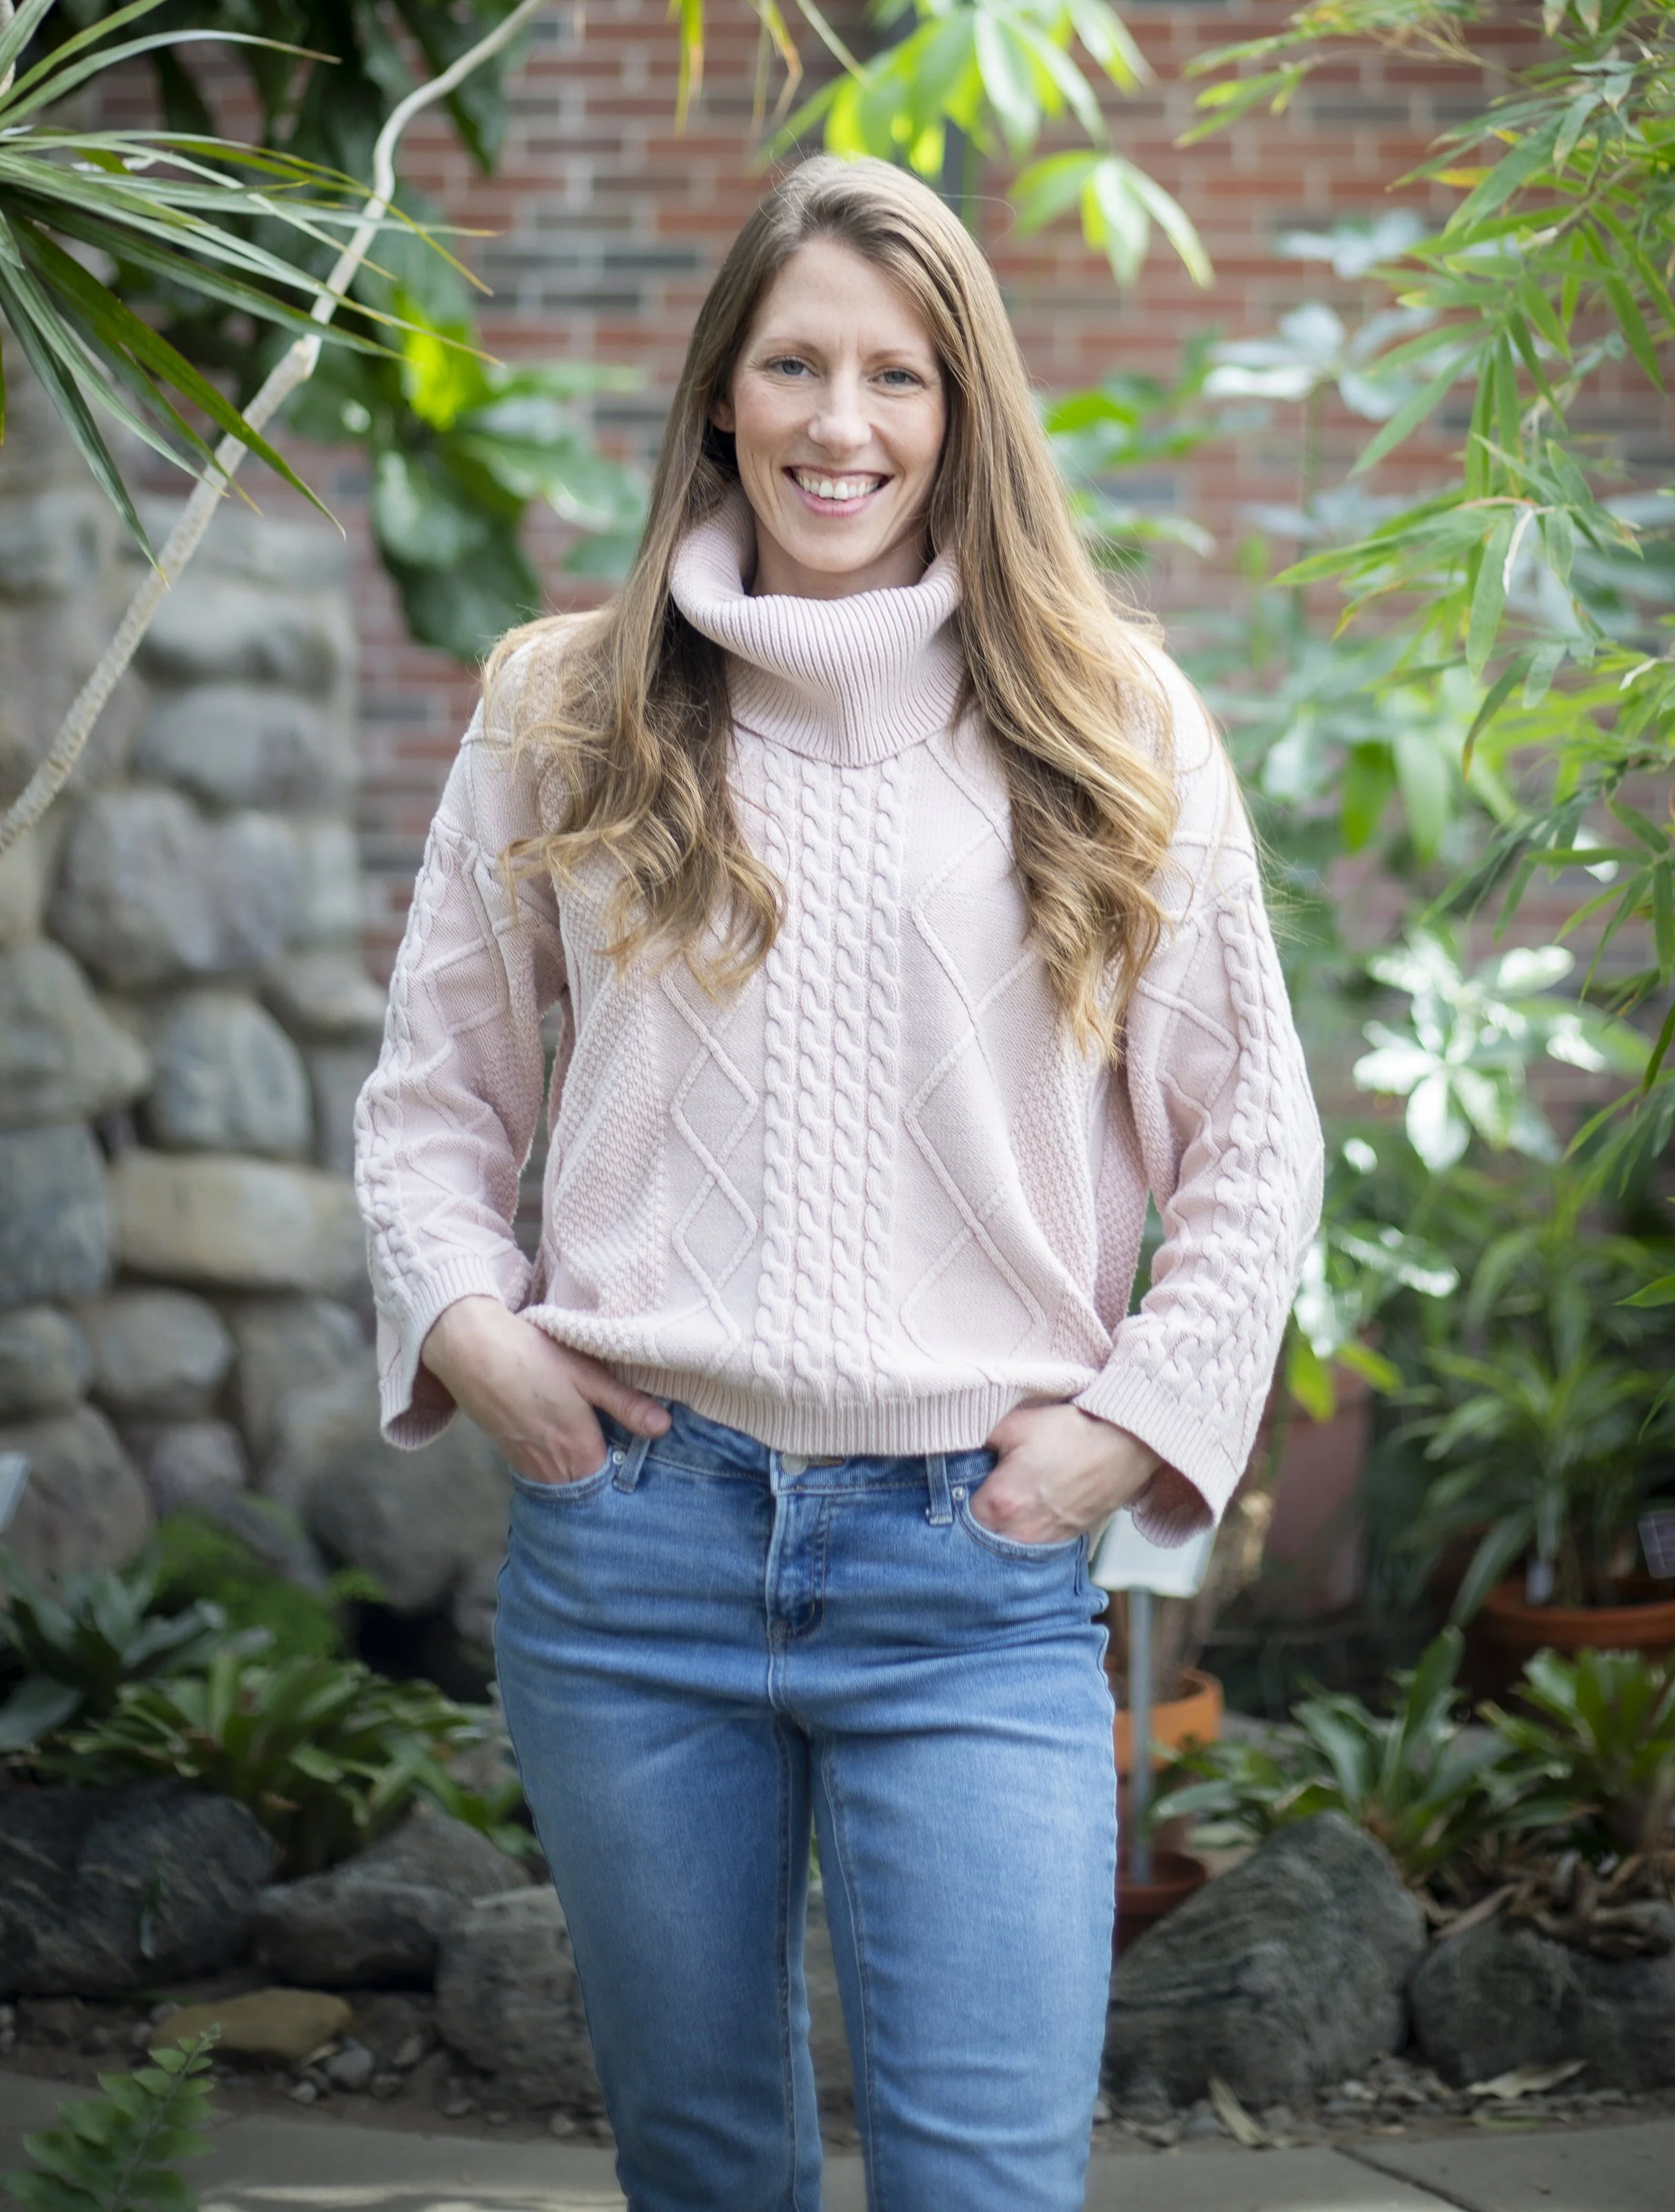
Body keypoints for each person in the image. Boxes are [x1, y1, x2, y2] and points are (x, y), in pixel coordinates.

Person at [354, 154, 1322, 2212]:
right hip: (633, 1551)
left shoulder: (1104, 713)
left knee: (983, 2181)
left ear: (963, 413)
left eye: (896, 376)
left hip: (968, 1576)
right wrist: (479, 1344)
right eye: (792, 363)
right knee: (705, 2174)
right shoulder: (569, 702)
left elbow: (1253, 1143)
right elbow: (430, 1094)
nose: (838, 423)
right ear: (719, 393)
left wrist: (1111, 1438)